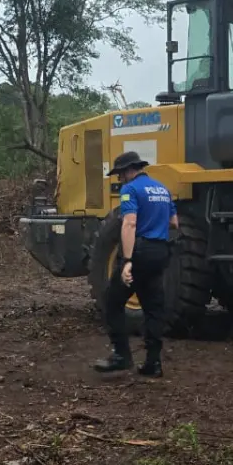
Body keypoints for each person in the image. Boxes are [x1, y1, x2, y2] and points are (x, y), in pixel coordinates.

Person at [94, 151, 178, 377]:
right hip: (160, 251)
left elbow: (129, 224)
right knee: (153, 308)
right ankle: (153, 363)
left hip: (138, 252)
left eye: (120, 175)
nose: (119, 179)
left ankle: (121, 356)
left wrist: (129, 261)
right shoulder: (162, 189)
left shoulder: (129, 189)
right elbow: (174, 222)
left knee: (112, 301)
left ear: (128, 171)